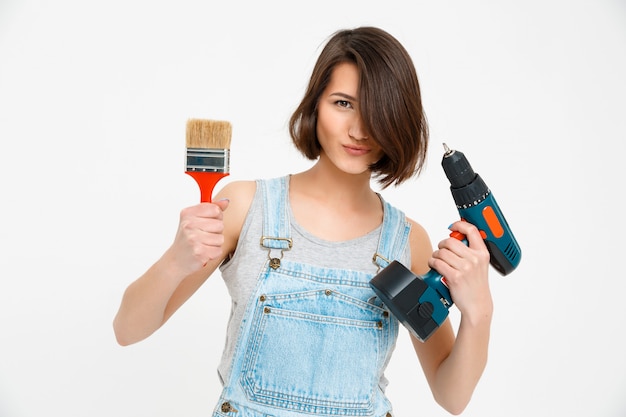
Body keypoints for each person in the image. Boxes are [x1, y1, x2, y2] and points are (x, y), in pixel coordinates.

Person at [113, 26, 493, 417]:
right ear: (315, 105)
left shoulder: (407, 240)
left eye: (377, 111)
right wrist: (177, 259)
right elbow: (127, 330)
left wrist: (479, 311)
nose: (359, 130)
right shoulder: (246, 207)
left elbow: (452, 396)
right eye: (343, 103)